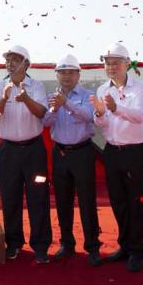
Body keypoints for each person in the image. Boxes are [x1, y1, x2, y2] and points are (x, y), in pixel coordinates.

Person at [91, 42, 143, 272]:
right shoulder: (102, 90)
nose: (111, 66)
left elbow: (139, 116)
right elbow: (102, 124)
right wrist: (99, 113)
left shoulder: (140, 89)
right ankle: (125, 246)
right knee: (118, 202)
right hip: (112, 152)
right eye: (107, 63)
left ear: (127, 63)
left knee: (136, 202)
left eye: (116, 62)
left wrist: (116, 108)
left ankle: (138, 250)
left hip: (135, 151)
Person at [0, 44, 52, 263]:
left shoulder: (36, 86)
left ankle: (41, 245)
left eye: (15, 59)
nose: (10, 63)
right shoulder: (0, 86)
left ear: (27, 64)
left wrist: (26, 99)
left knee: (38, 196)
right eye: (8, 60)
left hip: (34, 151)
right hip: (9, 152)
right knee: (10, 197)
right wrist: (4, 98)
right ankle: (14, 243)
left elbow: (42, 113)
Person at [42, 54, 101, 266]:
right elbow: (45, 123)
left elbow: (89, 116)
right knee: (62, 201)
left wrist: (66, 103)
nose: (67, 77)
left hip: (83, 152)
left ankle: (93, 246)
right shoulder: (51, 96)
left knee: (87, 201)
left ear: (78, 75)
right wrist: (55, 108)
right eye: (62, 72)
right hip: (60, 154)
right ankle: (67, 244)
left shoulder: (88, 95)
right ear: (57, 75)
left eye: (71, 72)